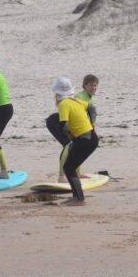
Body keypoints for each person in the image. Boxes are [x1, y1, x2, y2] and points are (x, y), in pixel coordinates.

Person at [53, 77, 99, 205]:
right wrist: (92, 123)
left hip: (85, 140)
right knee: (70, 167)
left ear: (57, 94)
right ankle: (76, 197)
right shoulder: (77, 101)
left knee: (68, 168)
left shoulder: (63, 104)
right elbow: (91, 108)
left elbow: (64, 126)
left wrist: (69, 138)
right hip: (92, 137)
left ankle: (79, 199)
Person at [46, 75, 98, 182]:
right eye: (91, 85)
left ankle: (77, 173)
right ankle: (61, 176)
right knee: (68, 145)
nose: (93, 88)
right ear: (84, 86)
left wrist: (92, 124)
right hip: (59, 123)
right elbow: (70, 116)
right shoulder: (79, 97)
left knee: (76, 148)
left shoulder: (90, 98)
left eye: (95, 85)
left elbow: (90, 111)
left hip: (72, 125)